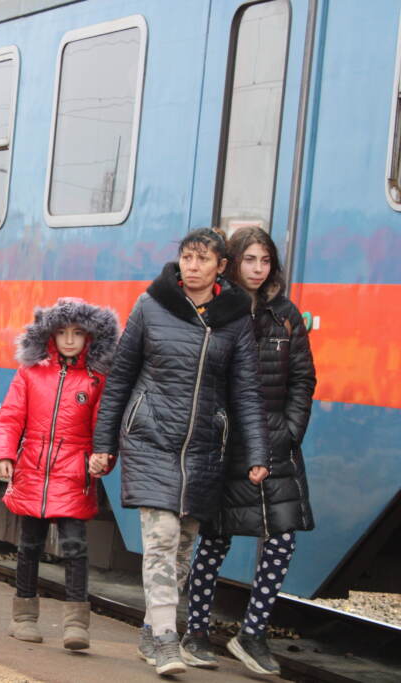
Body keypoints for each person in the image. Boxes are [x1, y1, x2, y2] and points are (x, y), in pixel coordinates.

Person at [90, 228, 269, 675]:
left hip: (204, 448)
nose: (192, 266)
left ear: (220, 268)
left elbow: (245, 391)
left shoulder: (235, 318)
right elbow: (121, 376)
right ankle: (170, 640)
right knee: (162, 537)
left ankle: (152, 632)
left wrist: (257, 453)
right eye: (186, 257)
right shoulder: (151, 305)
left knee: (184, 546)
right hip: (151, 438)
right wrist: (104, 443)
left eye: (202, 259)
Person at [181, 227, 316, 676]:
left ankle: (252, 634)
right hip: (228, 443)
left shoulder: (286, 316)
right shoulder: (220, 312)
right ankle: (195, 631)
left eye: (265, 261)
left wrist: (291, 430)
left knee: (281, 538)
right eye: (250, 260)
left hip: (277, 442)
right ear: (233, 262)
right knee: (215, 538)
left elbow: (303, 379)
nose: (258, 269)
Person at [0, 298, 119, 650]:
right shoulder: (30, 374)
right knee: (29, 544)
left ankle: (77, 624)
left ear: (91, 337)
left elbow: (103, 428)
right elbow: (10, 417)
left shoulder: (97, 380)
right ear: (50, 335)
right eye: (62, 333)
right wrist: (3, 455)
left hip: (74, 470)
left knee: (75, 546)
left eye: (78, 333)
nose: (70, 340)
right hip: (32, 466)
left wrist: (101, 458)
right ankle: (23, 617)